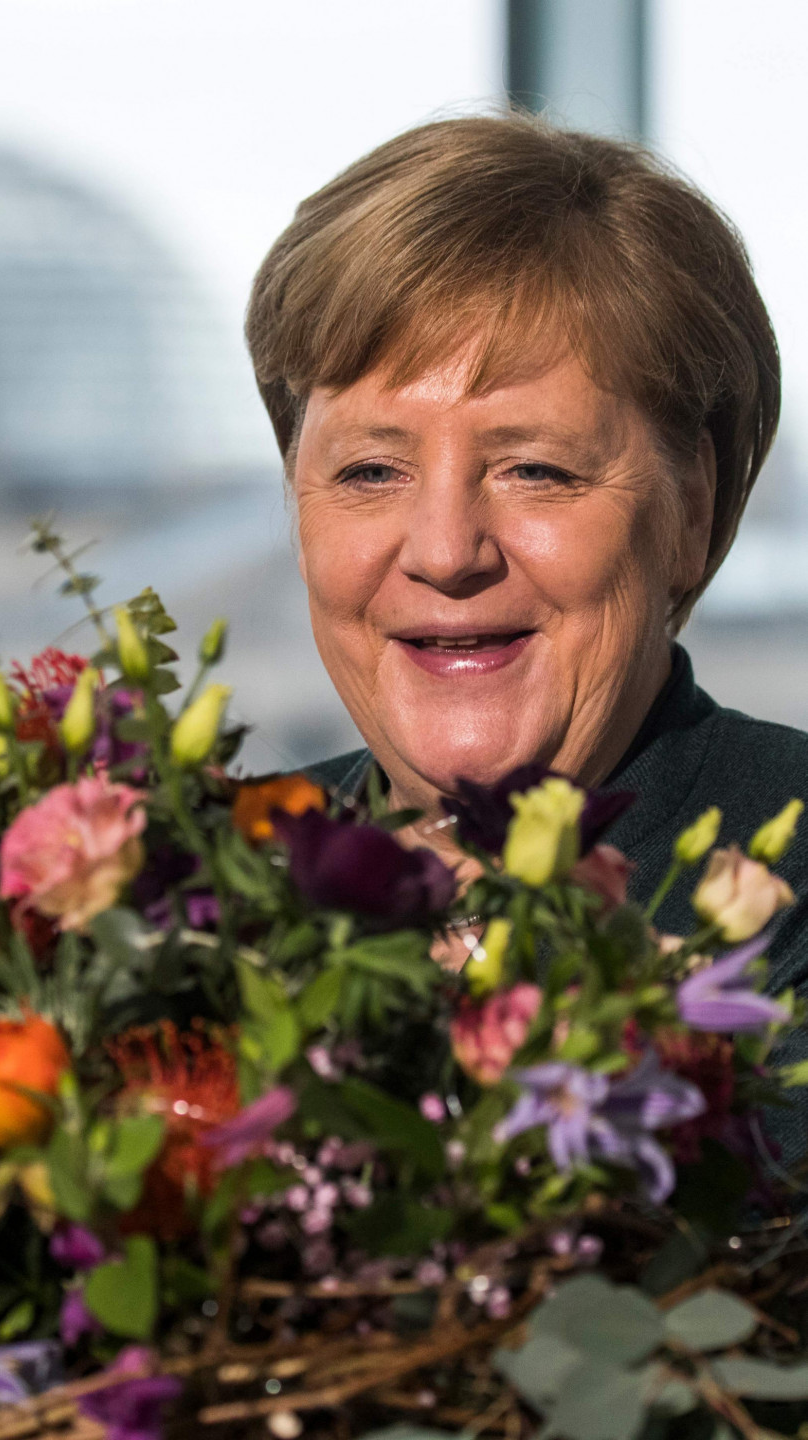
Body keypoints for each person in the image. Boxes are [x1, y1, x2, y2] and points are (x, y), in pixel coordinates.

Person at [245, 113, 808, 1163]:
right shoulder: (192, 888)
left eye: (535, 469)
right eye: (370, 471)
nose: (444, 550)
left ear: (690, 509)